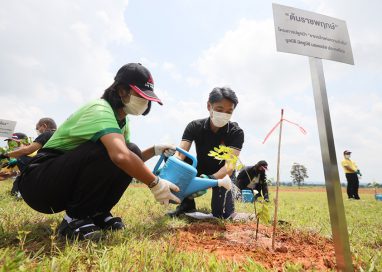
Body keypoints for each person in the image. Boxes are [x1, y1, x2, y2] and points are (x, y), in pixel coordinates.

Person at [17, 63, 181, 240]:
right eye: (140, 95)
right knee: (114, 151)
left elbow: (129, 158)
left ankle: (97, 213)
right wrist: (155, 183)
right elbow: (119, 156)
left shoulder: (122, 121)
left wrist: (155, 150)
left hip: (59, 179)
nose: (145, 102)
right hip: (38, 182)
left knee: (130, 149)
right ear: (122, 91)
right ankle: (74, 219)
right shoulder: (100, 110)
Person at [168, 87, 244, 219]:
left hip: (223, 173)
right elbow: (180, 154)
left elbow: (229, 167)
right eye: (220, 110)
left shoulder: (235, 132)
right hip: (200, 168)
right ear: (209, 106)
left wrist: (208, 180)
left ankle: (224, 209)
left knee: (223, 215)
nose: (224, 114)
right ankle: (187, 204)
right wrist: (170, 171)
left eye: (229, 112)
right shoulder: (194, 126)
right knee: (172, 159)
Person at [0, 118, 57, 196]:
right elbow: (6, 174)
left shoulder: (46, 136)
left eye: (14, 143)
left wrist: (4, 155)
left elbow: (27, 151)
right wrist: (12, 173)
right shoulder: (56, 136)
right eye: (9, 143)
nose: (11, 146)